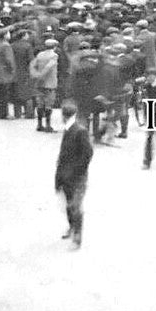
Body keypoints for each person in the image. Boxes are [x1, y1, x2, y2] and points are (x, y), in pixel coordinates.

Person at [54, 101, 93, 248]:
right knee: (69, 205)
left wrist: (76, 171)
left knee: (75, 206)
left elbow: (87, 154)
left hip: (76, 177)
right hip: (66, 175)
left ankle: (77, 236)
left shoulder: (79, 131)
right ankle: (72, 228)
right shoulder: (69, 129)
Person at [29, 39, 60, 133]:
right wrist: (42, 75)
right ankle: (48, 125)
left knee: (40, 103)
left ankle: (39, 124)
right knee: (49, 104)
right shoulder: (54, 55)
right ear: (54, 46)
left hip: (39, 82)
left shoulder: (40, 55)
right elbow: (49, 66)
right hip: (49, 82)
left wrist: (36, 75)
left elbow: (32, 65)